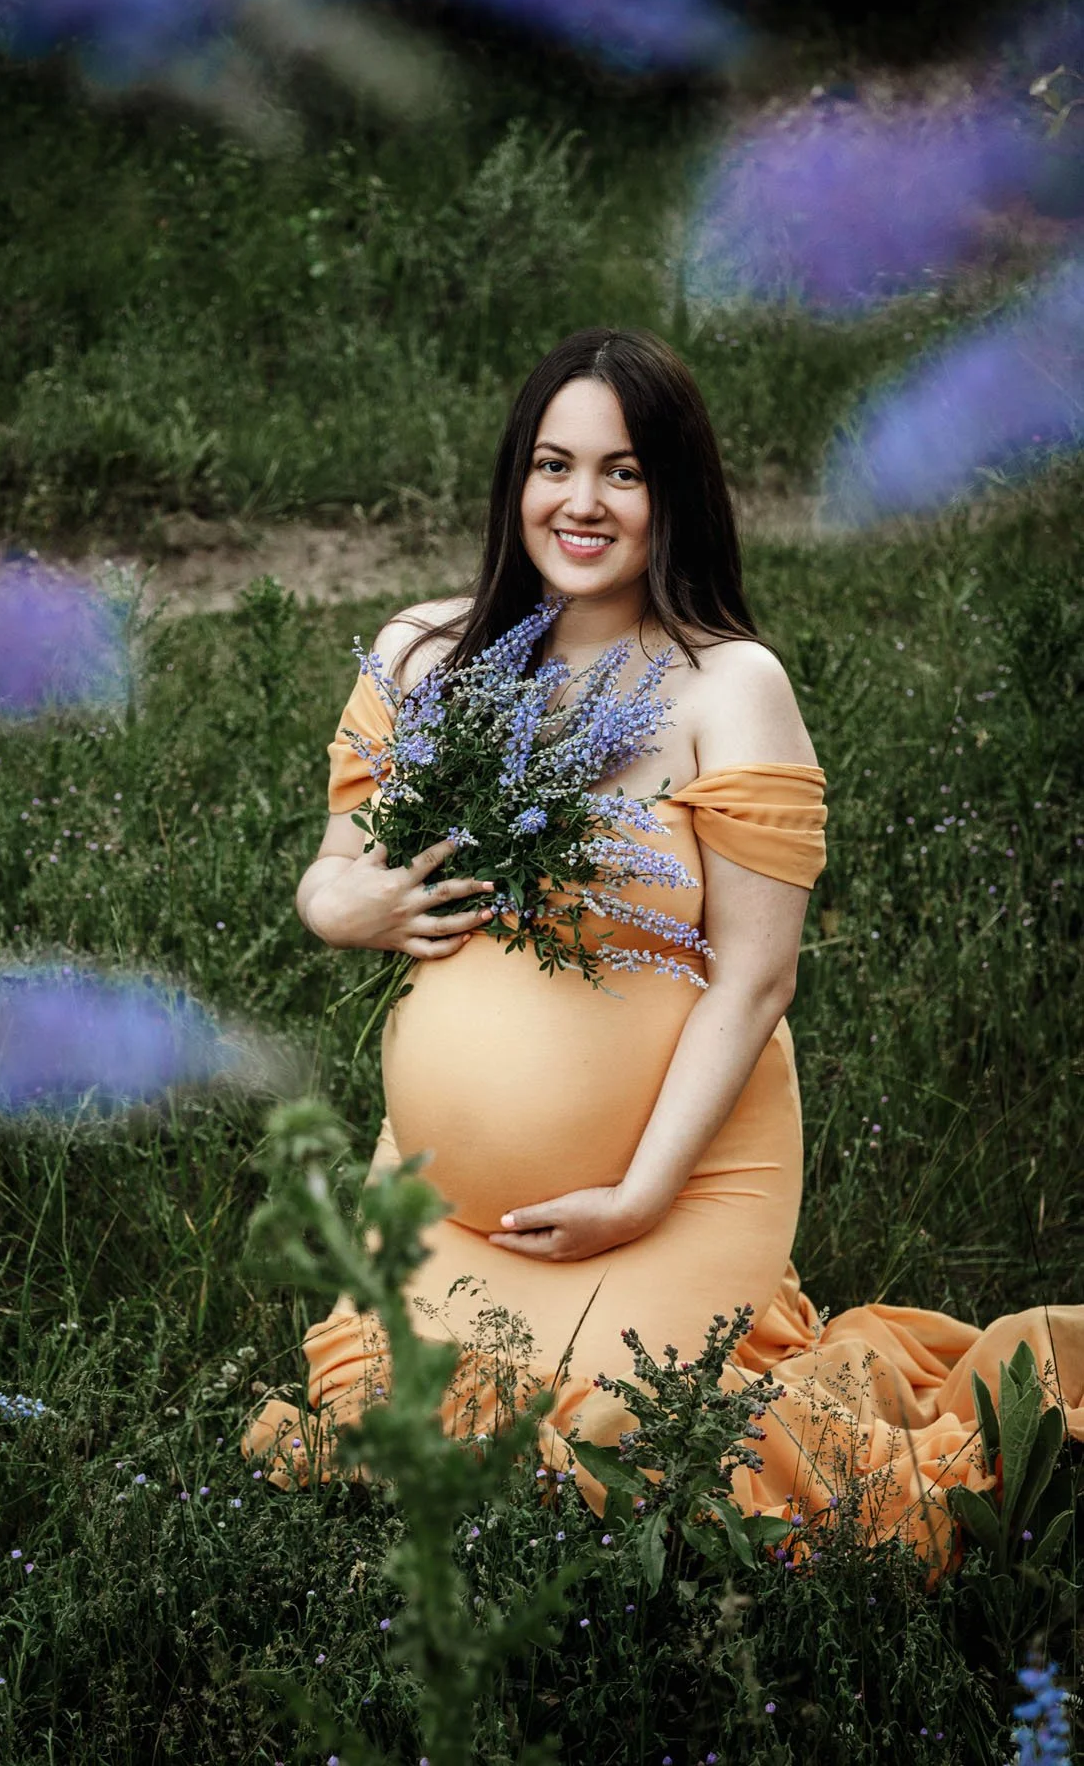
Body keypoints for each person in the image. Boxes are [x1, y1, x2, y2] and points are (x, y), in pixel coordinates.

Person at [243, 328, 1084, 1568]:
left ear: (672, 492)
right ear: (512, 481)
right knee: (407, 1440)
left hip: (679, 1184)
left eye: (622, 472)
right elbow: (333, 864)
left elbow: (756, 978)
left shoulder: (724, 687)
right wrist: (343, 910)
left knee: (646, 1455)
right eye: (552, 464)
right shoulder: (426, 655)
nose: (579, 502)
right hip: (438, 1197)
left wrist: (636, 1194)